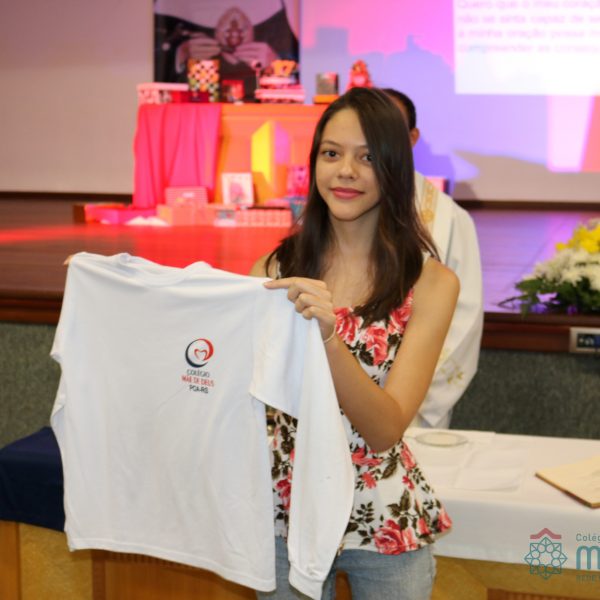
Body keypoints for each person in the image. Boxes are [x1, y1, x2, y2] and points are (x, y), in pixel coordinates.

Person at [251, 87, 458, 599]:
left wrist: (328, 339)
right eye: (331, 153)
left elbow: (385, 429)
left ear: (395, 168)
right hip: (283, 515)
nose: (345, 171)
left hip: (383, 518)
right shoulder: (274, 270)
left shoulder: (430, 283)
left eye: (367, 158)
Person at [383, 88, 484, 429]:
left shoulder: (448, 219)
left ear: (412, 138)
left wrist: (417, 397)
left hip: (414, 403)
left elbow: (465, 315)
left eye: (388, 129)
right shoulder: (332, 211)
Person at [154, 0, 299, 100]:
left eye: (242, 28)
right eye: (227, 29)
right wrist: (181, 55)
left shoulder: (280, 17)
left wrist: (276, 64)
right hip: (204, 111)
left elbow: (299, 74)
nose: (234, 34)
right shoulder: (175, 15)